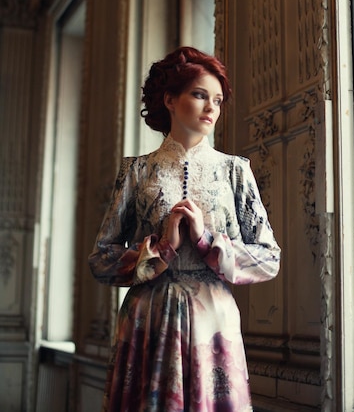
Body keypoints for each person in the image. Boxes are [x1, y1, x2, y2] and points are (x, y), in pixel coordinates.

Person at [88, 46, 281, 412]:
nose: (212, 108)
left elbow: (269, 257)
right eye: (199, 95)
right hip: (149, 320)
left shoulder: (234, 171)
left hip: (214, 323)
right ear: (170, 100)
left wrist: (210, 243)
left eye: (218, 100)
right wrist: (159, 250)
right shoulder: (137, 172)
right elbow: (101, 260)